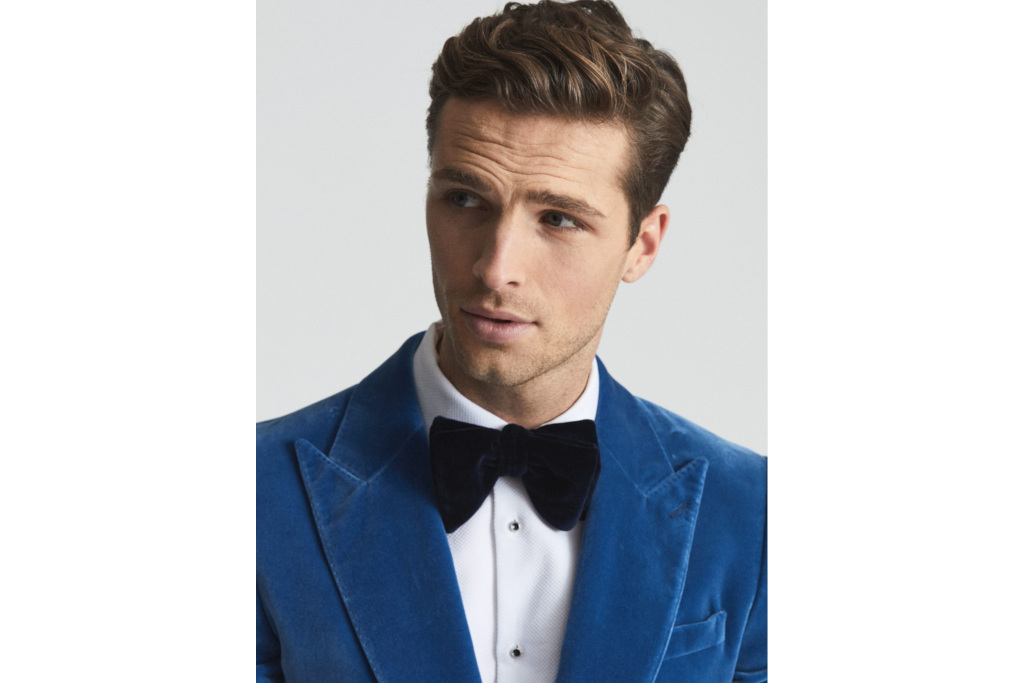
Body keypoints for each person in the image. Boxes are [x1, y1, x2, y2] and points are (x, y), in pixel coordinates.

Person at [256, 1, 766, 681]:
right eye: (466, 199)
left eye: (557, 219)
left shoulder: (753, 515)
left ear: (641, 244)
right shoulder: (251, 495)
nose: (496, 268)